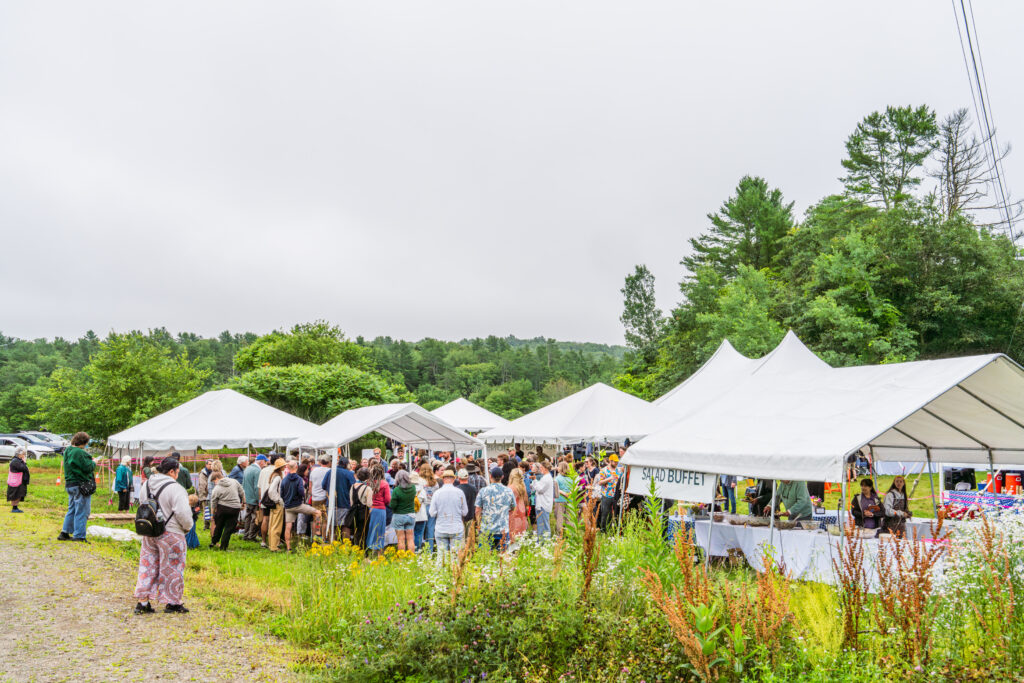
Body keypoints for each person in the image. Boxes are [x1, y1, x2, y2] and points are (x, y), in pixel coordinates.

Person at [133, 457, 194, 614]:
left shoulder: (147, 484)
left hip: (150, 531)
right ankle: (172, 602)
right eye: (177, 472)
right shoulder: (176, 488)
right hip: (171, 532)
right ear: (172, 471)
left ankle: (143, 602)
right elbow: (183, 512)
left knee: (148, 566)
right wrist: (188, 527)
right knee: (173, 568)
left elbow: (142, 503)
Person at [58, 432, 95, 542]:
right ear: (84, 442)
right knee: (82, 510)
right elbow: (87, 467)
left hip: (70, 484)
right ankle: (79, 535)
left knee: (72, 509)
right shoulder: (79, 452)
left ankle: (65, 532)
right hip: (80, 484)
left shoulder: (68, 450)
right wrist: (94, 462)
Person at [281, 461, 321, 552]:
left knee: (288, 526)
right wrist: (300, 497)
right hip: (298, 505)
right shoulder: (299, 479)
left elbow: (281, 493)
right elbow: (301, 492)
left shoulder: (284, 479)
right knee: (317, 513)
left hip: (288, 506)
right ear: (296, 467)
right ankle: (317, 536)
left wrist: (287, 500)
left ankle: (288, 548)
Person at [430, 470, 468, 564]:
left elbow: (432, 513)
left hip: (441, 527)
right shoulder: (459, 492)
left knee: (441, 555)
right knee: (455, 556)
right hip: (456, 527)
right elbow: (465, 512)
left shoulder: (437, 493)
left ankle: (441, 574)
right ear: (454, 479)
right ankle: (455, 574)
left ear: (443, 479)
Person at [475, 467, 516, 551]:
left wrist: (478, 523)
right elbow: (513, 507)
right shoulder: (509, 491)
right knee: (502, 555)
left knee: (485, 556)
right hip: (502, 528)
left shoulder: (483, 491)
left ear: (490, 476)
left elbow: (477, 510)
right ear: (502, 477)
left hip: (486, 528)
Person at [321, 456, 356, 541]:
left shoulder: (330, 472)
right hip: (344, 502)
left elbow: (323, 485)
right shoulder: (348, 473)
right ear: (346, 464)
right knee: (345, 525)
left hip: (331, 503)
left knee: (332, 526)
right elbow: (354, 487)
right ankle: (345, 547)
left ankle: (333, 546)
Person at [209, 471, 244, 550]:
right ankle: (223, 547)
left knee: (219, 525)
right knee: (228, 528)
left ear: (217, 478)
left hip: (222, 509)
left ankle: (214, 541)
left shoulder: (217, 488)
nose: (214, 483)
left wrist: (212, 514)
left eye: (214, 481)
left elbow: (213, 503)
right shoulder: (234, 481)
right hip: (235, 508)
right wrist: (244, 502)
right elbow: (242, 491)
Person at [388, 469, 417, 551]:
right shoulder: (413, 488)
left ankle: (402, 560)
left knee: (401, 539)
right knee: (410, 538)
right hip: (411, 515)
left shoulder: (396, 490)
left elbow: (392, 505)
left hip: (399, 516)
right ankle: (411, 558)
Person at [366, 464, 391, 555]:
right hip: (380, 509)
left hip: (370, 509)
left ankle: (369, 550)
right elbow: (388, 500)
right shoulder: (384, 484)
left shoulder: (368, 482)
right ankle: (379, 552)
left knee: (370, 529)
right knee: (380, 531)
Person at [242, 454, 266, 542]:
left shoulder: (247, 469)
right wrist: (259, 499)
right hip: (254, 499)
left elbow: (243, 484)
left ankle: (246, 534)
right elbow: (257, 487)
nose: (265, 464)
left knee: (247, 517)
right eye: (265, 462)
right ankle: (251, 536)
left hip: (247, 498)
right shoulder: (257, 471)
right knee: (255, 518)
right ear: (261, 462)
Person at [265, 459, 286, 551]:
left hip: (273, 504)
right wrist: (278, 500)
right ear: (280, 467)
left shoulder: (274, 475)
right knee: (276, 525)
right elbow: (271, 491)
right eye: (284, 465)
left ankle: (272, 544)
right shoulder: (277, 477)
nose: (285, 467)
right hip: (277, 503)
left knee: (272, 524)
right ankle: (274, 546)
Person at [349, 467, 374, 548]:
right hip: (364, 512)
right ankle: (362, 550)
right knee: (363, 533)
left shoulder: (352, 486)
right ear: (368, 477)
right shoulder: (368, 488)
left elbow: (351, 502)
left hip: (353, 512)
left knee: (355, 532)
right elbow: (369, 504)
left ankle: (355, 547)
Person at [257, 455, 278, 548]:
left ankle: (264, 541)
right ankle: (273, 542)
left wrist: (260, 499)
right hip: (275, 498)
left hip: (265, 498)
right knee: (275, 520)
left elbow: (260, 487)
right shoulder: (278, 471)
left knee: (265, 519)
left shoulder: (263, 470)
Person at [595, 457, 620, 531]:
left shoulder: (618, 470)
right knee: (605, 513)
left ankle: (613, 530)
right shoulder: (604, 470)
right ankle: (604, 530)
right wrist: (609, 478)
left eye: (617, 462)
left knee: (616, 514)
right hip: (606, 495)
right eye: (614, 462)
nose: (616, 463)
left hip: (616, 495)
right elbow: (599, 482)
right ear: (610, 461)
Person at [418, 464, 438, 552]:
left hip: (423, 506)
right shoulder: (435, 482)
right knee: (430, 528)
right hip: (432, 506)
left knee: (421, 529)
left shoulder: (420, 481)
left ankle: (418, 548)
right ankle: (429, 550)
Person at [533, 461, 554, 539]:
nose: (540, 469)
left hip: (543, 504)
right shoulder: (545, 477)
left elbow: (540, 489)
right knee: (541, 525)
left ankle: (545, 542)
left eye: (541, 467)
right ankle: (541, 541)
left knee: (544, 525)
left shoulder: (546, 478)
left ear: (545, 468)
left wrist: (535, 481)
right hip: (542, 503)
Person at [507, 468, 529, 541]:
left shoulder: (510, 488)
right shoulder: (522, 486)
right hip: (521, 511)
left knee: (513, 530)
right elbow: (526, 500)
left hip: (513, 512)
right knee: (520, 531)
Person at [7, 446, 30, 513]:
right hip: (16, 481)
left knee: (18, 494)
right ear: (19, 454)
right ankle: (14, 508)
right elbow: (22, 468)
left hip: (19, 481)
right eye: (23, 454)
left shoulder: (18, 460)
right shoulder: (15, 461)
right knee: (15, 494)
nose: (24, 456)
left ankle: (15, 507)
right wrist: (24, 462)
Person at [455, 469, 477, 537]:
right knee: (470, 537)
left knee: (461, 538)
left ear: (458, 478)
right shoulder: (473, 488)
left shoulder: (457, 489)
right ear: (468, 477)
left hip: (460, 517)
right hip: (471, 515)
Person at [553, 462, 573, 536]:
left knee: (559, 517)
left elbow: (556, 489)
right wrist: (568, 494)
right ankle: (570, 533)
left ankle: (560, 534)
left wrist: (563, 493)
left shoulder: (557, 478)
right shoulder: (570, 478)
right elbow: (573, 487)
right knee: (569, 517)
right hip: (569, 499)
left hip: (560, 499)